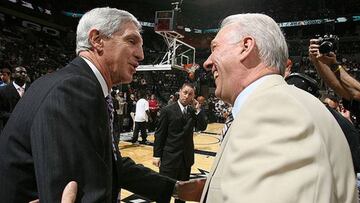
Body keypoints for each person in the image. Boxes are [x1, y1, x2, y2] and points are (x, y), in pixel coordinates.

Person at [0, 7, 204, 203]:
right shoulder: (75, 88)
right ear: (97, 40)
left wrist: (175, 188)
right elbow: (79, 192)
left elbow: (110, 162)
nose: (141, 55)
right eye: (131, 41)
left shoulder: (75, 84)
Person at [200, 13, 357, 202]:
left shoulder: (272, 111)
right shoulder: (290, 103)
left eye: (215, 49)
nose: (207, 63)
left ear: (246, 47)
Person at [153, 83, 208, 203]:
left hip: (185, 160)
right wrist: (156, 155)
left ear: (193, 97)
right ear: (180, 92)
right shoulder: (167, 110)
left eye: (190, 94)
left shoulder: (193, 112)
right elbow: (160, 134)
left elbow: (202, 126)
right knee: (164, 194)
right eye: (185, 92)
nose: (187, 96)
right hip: (169, 159)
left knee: (182, 196)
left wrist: (198, 109)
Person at [0, 66, 28, 131]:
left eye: (25, 72)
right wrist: (14, 116)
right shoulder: (3, 91)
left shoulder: (32, 89)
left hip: (28, 129)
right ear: (13, 75)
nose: (23, 74)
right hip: (10, 129)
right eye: (20, 72)